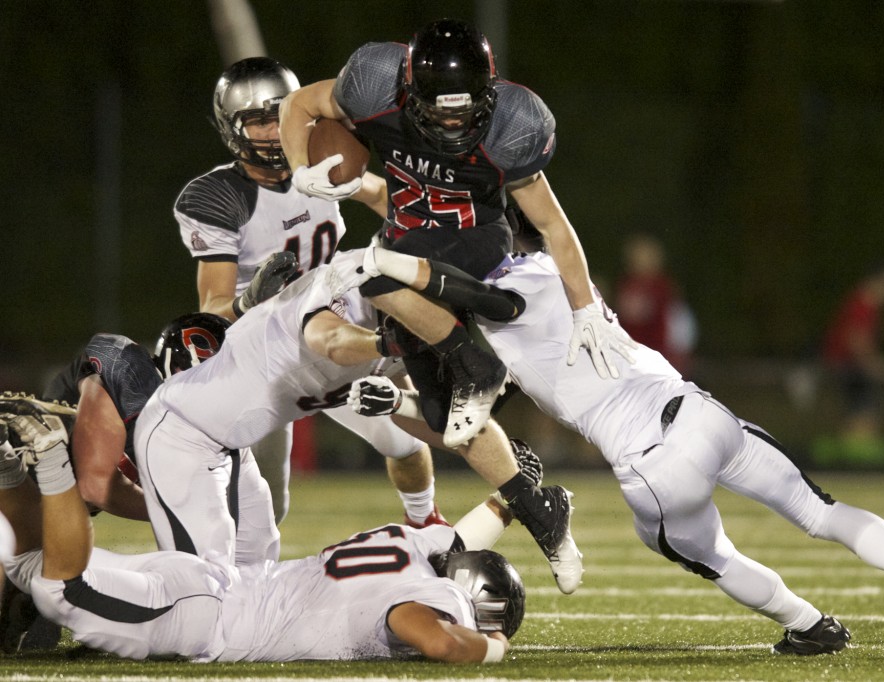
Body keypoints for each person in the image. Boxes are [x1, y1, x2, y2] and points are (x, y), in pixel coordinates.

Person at [348, 246, 884, 655]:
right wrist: (405, 401)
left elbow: (469, 321)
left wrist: (387, 275)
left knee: (716, 557)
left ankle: (810, 624)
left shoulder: (506, 301)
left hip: (655, 466)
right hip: (703, 413)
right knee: (823, 512)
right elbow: (477, 418)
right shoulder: (555, 272)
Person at [278, 18, 636, 451]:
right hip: (406, 241)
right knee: (440, 417)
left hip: (475, 237)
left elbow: (551, 224)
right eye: (438, 112)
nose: (451, 124)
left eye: (462, 112)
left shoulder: (513, 124)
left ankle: (484, 348)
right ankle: (491, 372)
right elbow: (297, 104)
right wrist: (300, 168)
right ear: (408, 92)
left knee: (373, 272)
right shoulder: (374, 85)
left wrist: (586, 308)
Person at [133, 249, 582, 593]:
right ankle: (78, 597)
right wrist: (388, 344)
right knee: (200, 593)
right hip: (184, 431)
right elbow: (328, 339)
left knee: (253, 583)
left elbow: (453, 427)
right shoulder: (352, 278)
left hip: (233, 444)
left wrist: (519, 491)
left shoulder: (402, 330)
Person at [0, 403, 534, 663]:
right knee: (61, 585)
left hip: (218, 581)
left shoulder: (413, 544)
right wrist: (493, 646)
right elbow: (437, 637)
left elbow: (460, 541)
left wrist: (511, 502)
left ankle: (6, 464)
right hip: (204, 619)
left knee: (29, 569)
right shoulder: (433, 596)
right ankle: (48, 456)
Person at [175, 56, 440, 528]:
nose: (274, 131)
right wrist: (250, 298)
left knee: (406, 439)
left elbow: (391, 202)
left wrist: (375, 195)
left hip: (332, 326)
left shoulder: (315, 166)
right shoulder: (217, 196)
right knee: (267, 502)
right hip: (264, 353)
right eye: (258, 121)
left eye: (280, 117)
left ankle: (427, 525)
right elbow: (211, 312)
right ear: (231, 128)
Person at [0, 312, 229, 654]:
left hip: (36, 497)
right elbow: (98, 485)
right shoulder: (130, 377)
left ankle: (29, 599)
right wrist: (175, 509)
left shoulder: (171, 415)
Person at [817, 261, 884, 468]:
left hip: (848, 365)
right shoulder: (864, 304)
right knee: (864, 412)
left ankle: (849, 454)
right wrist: (875, 364)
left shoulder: (865, 304)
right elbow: (856, 339)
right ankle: (854, 460)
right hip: (850, 366)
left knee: (859, 411)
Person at [615, 233, 697, 375]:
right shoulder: (626, 284)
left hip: (658, 353)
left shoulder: (663, 286)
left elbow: (679, 321)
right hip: (630, 354)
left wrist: (679, 354)